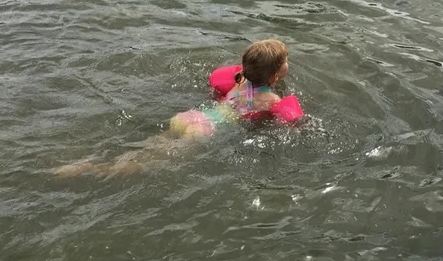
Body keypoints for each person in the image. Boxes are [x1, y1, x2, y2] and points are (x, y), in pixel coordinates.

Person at [51, 39, 299, 178]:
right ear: (276, 76)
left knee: (150, 147)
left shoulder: (239, 81)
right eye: (286, 61)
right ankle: (97, 171)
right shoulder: (271, 100)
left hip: (192, 116)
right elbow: (279, 121)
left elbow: (218, 90)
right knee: (153, 161)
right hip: (206, 129)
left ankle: (91, 164)